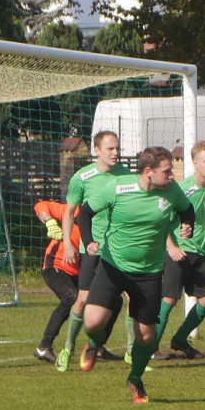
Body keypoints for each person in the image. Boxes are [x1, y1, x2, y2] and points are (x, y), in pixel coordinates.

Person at [77, 146, 195, 404]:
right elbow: (84, 214)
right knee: (93, 321)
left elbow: (187, 210)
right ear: (148, 171)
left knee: (146, 337)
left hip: (149, 273)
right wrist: (88, 242)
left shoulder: (171, 191)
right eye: (167, 171)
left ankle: (135, 379)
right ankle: (95, 342)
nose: (172, 176)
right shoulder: (118, 187)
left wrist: (188, 225)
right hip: (113, 265)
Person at [55, 130, 130, 372]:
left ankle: (131, 353)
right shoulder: (82, 177)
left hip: (119, 249)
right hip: (91, 249)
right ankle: (67, 348)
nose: (115, 152)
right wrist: (68, 243)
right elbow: (69, 212)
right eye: (110, 149)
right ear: (96, 151)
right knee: (84, 299)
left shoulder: (127, 176)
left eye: (117, 148)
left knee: (132, 298)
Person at [153, 140, 205, 360]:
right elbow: (161, 220)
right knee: (169, 299)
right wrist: (171, 247)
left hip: (201, 252)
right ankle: (151, 349)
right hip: (179, 251)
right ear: (195, 163)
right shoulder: (182, 189)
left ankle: (180, 339)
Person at [33, 199, 80, 364]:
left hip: (81, 271)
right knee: (71, 298)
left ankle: (98, 347)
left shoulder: (107, 217)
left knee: (111, 300)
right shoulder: (73, 210)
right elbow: (40, 206)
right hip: (56, 266)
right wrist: (50, 222)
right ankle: (44, 347)